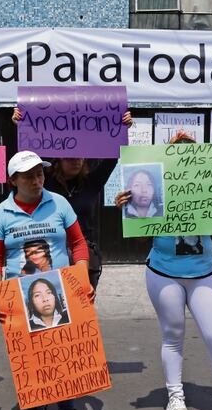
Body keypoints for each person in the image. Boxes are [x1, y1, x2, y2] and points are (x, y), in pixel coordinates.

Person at [115, 130, 212, 410]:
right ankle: (175, 396)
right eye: (177, 158)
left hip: (202, 272)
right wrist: (129, 212)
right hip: (163, 272)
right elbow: (140, 241)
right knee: (173, 336)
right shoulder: (155, 192)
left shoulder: (210, 186)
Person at [0, 150, 92, 410]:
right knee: (30, 357)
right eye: (29, 176)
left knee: (64, 353)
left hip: (61, 292)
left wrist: (81, 278)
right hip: (18, 296)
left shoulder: (59, 203)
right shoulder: (1, 214)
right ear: (13, 181)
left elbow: (79, 243)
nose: (36, 180)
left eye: (40, 174)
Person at [12, 108, 133, 289]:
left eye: (79, 156)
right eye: (70, 157)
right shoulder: (45, 181)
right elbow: (29, 157)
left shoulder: (91, 182)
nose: (76, 160)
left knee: (82, 302)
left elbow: (112, 157)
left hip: (83, 254)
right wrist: (21, 126)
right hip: (50, 251)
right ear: (59, 159)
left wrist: (122, 128)